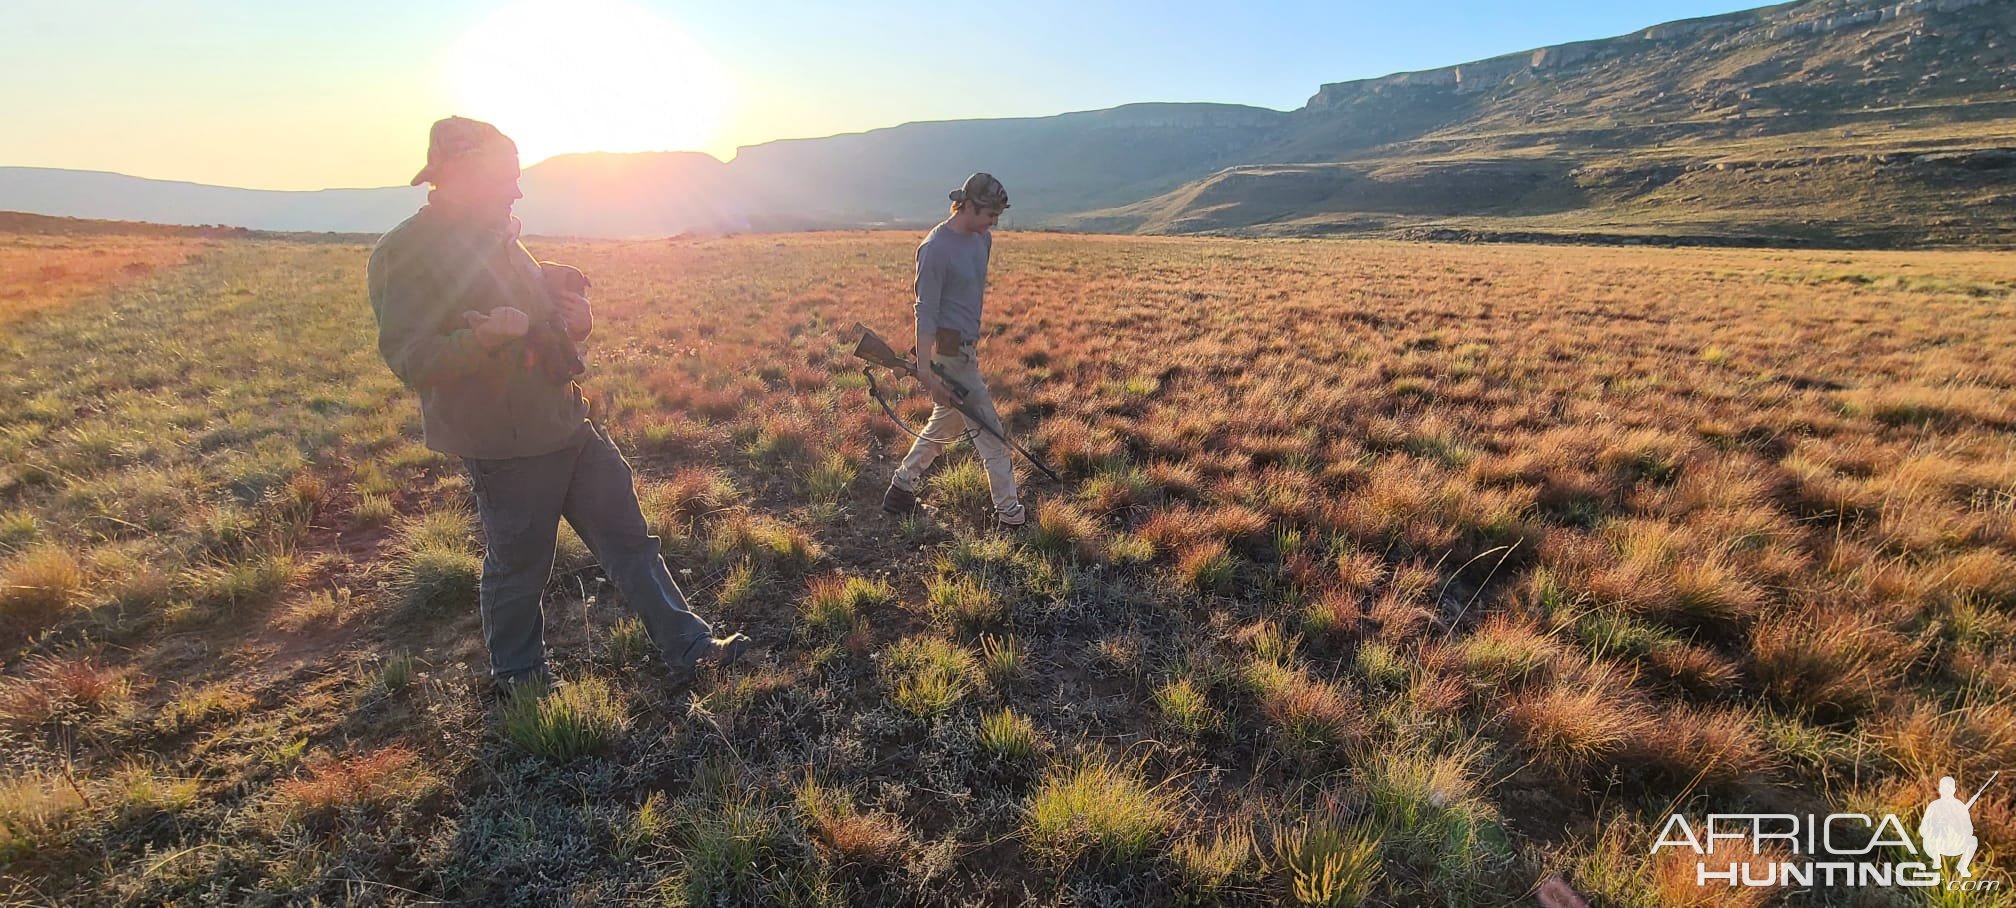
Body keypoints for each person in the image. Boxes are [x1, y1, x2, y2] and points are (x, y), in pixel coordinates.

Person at [367, 116, 749, 693]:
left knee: (630, 542)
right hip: (505, 443)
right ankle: (520, 680)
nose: (517, 190)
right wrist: (483, 339)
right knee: (520, 568)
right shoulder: (407, 252)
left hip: (568, 423)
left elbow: (530, 310)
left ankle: (690, 646)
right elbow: (410, 358)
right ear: (460, 175)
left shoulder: (498, 236)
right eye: (505, 178)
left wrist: (574, 317)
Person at [881, 172, 1026, 527]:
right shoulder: (934, 249)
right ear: (969, 206)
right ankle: (1012, 517)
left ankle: (900, 491)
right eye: (990, 214)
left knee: (944, 425)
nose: (994, 222)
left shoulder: (983, 240)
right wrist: (928, 373)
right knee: (993, 438)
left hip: (966, 350)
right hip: (949, 358)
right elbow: (925, 310)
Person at [1919, 775, 1981, 878]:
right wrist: (1937, 827)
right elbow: (1924, 828)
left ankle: (1962, 867)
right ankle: (1936, 860)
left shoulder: (1959, 806)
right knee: (1933, 834)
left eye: (1949, 788)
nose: (1946, 790)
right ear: (1940, 789)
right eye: (1944, 787)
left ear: (1954, 790)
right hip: (1938, 844)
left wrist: (1958, 825)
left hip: (1955, 843)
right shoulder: (1934, 806)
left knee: (1973, 840)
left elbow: (1969, 829)